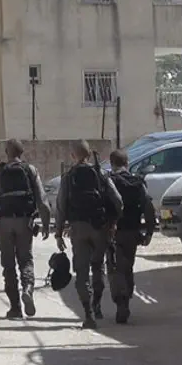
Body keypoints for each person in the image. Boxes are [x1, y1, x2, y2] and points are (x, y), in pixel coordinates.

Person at [54, 140, 123, 329]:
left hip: (78, 229)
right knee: (98, 267)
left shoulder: (68, 177)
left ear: (73, 156)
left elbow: (60, 207)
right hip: (100, 227)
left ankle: (88, 314)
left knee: (82, 273)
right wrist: (112, 222)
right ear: (88, 154)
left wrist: (59, 233)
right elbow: (118, 201)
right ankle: (97, 305)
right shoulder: (100, 173)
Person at [0, 139, 51, 319]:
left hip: (4, 222)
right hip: (24, 222)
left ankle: (14, 308)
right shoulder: (30, 170)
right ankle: (28, 289)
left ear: (7, 152)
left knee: (8, 265)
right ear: (22, 153)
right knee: (26, 260)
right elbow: (42, 201)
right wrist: (45, 224)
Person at [107, 149, 155, 324]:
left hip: (112, 232)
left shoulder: (108, 182)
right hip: (132, 232)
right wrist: (149, 231)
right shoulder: (137, 182)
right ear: (127, 163)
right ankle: (126, 296)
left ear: (111, 163)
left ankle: (121, 301)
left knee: (114, 268)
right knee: (127, 265)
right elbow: (148, 207)